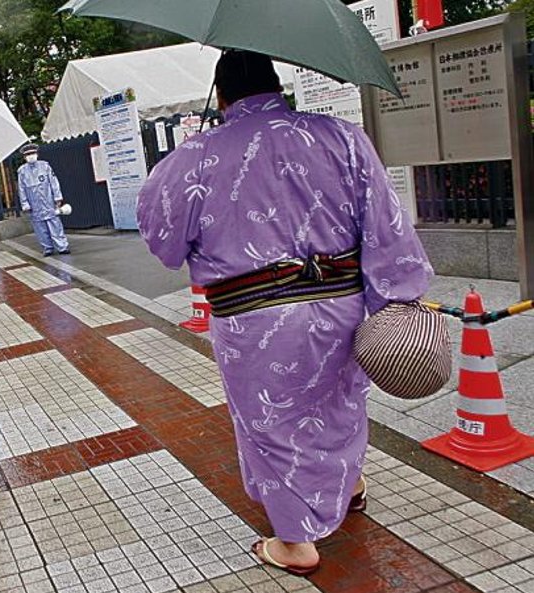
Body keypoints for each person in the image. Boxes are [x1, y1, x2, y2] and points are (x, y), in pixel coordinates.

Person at [136, 50, 433, 575]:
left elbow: (164, 243)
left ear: (222, 96)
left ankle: (296, 543)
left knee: (269, 422)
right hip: (340, 305)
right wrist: (396, 300)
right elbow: (386, 225)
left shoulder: (192, 159)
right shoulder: (342, 137)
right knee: (338, 403)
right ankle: (350, 485)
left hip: (252, 319)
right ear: (277, 84)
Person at [16, 143, 70, 256]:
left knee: (55, 223)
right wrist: (25, 204)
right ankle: (47, 248)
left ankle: (62, 247)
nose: (31, 156)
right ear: (24, 157)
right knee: (40, 227)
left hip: (48, 201)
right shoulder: (22, 171)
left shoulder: (45, 166)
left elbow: (54, 182)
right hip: (34, 204)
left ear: (37, 154)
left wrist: (57, 197)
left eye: (32, 153)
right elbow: (21, 189)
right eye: (28, 154)